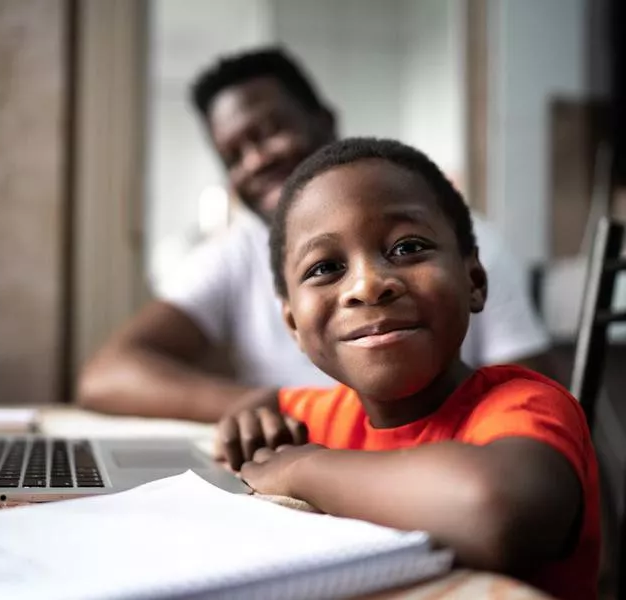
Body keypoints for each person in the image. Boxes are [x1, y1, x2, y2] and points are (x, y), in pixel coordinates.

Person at [76, 48, 553, 422]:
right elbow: (107, 374)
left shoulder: (456, 238)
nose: (257, 159)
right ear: (291, 319)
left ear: (323, 119)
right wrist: (284, 409)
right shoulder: (235, 253)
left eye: (270, 130)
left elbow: (536, 399)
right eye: (234, 154)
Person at [217, 137, 598, 600]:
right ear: (294, 325)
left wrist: (304, 469)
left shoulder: (526, 405)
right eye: (326, 268)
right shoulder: (327, 414)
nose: (368, 285)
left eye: (407, 247)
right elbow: (270, 401)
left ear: (474, 282)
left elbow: (493, 510)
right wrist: (250, 416)